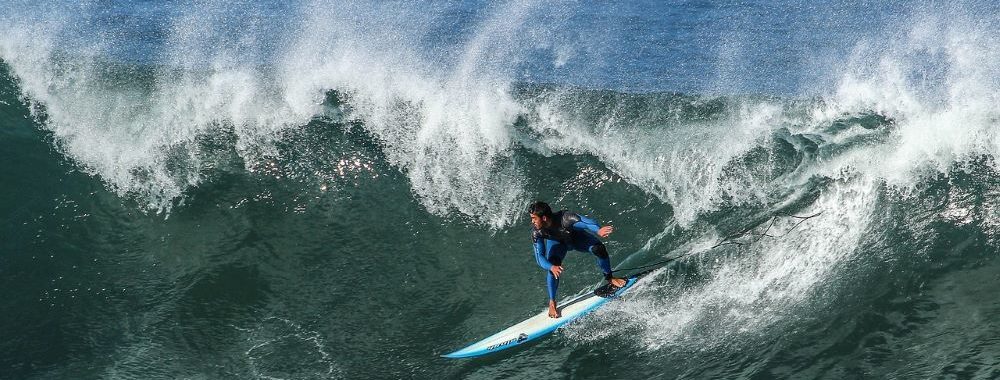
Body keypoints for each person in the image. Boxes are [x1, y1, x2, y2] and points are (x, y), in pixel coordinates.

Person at [528, 201, 627, 318]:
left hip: (576, 238)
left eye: (534, 218)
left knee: (598, 249)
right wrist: (551, 267)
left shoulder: (565, 218)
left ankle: (610, 278)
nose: (532, 222)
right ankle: (552, 301)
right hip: (558, 244)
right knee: (552, 265)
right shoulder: (537, 232)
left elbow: (587, 222)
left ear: (544, 218)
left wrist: (598, 230)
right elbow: (539, 257)